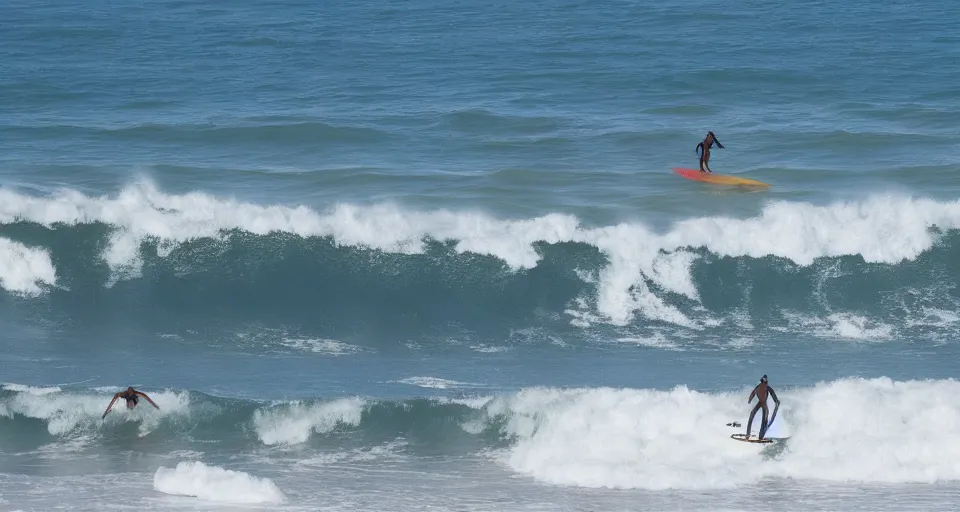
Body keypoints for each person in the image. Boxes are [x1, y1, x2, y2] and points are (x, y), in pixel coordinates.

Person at [745, 375, 779, 440]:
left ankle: (748, 435)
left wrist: (749, 400)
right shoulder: (765, 387)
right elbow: (772, 393)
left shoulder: (759, 386)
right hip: (762, 404)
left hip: (761, 403)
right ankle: (759, 436)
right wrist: (776, 401)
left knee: (752, 415)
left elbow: (753, 393)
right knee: (762, 419)